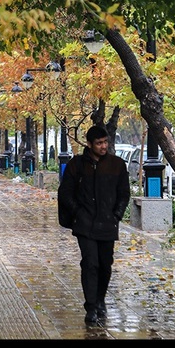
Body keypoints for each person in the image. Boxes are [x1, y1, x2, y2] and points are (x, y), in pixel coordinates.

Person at [57, 125, 130, 325]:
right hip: (85, 224)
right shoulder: (77, 165)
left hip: (108, 223)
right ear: (89, 144)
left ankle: (100, 300)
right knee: (90, 263)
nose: (103, 146)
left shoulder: (117, 165)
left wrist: (117, 215)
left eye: (105, 142)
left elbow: (124, 193)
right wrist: (78, 212)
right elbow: (65, 193)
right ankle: (90, 307)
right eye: (99, 143)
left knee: (105, 265)